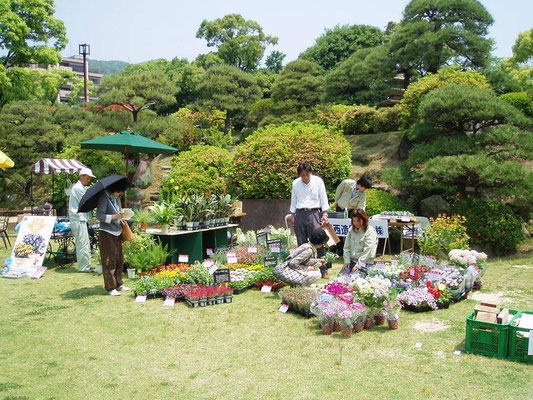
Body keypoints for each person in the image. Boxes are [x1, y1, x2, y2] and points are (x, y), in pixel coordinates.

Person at [289, 163, 330, 278]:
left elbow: (323, 197)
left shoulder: (318, 181)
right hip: (300, 213)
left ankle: (323, 269)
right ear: (299, 175)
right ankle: (302, 269)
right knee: (301, 244)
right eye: (303, 175)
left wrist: (325, 213)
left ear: (311, 173)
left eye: (307, 174)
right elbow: (294, 199)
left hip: (314, 213)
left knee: (318, 241)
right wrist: (293, 215)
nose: (305, 177)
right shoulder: (295, 183)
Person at [96, 179, 130, 296]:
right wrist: (114, 216)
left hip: (117, 231)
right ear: (113, 189)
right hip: (106, 232)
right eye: (119, 191)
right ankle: (110, 286)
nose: (120, 193)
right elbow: (99, 216)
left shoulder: (116, 199)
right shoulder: (104, 197)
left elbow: (118, 212)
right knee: (108, 259)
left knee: (119, 258)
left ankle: (119, 283)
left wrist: (122, 216)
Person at [334, 175, 372, 256]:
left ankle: (349, 249)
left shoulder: (362, 194)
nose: (365, 190)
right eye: (365, 188)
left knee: (350, 229)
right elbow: (338, 190)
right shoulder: (347, 183)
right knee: (339, 229)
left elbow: (362, 206)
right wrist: (337, 201)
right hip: (340, 208)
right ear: (360, 184)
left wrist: (360, 215)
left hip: (351, 211)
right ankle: (339, 249)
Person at [68, 167, 96, 273]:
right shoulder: (78, 188)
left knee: (85, 243)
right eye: (87, 178)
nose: (88, 180)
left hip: (81, 219)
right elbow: (87, 202)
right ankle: (83, 267)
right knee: (82, 243)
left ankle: (87, 264)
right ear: (81, 176)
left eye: (89, 178)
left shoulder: (81, 187)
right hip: (78, 219)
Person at [340, 209, 378, 277]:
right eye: (354, 221)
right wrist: (347, 261)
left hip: (365, 262)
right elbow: (346, 247)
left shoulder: (370, 231)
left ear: (364, 220)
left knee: (353, 280)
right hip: (351, 261)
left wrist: (358, 264)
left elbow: (368, 251)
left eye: (358, 221)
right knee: (341, 279)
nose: (356, 223)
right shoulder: (351, 230)